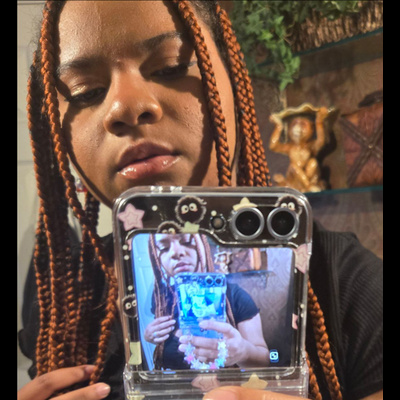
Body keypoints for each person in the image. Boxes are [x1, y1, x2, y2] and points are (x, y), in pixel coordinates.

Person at [17, 1, 382, 400]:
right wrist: (152, 342)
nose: (126, 106)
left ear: (235, 84)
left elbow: (264, 351)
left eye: (170, 68)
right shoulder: (58, 300)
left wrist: (243, 351)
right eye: (86, 92)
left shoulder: (350, 284)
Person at [143, 233, 269, 369]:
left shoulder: (236, 296)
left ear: (203, 245)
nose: (176, 252)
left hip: (225, 383)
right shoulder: (161, 299)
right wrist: (151, 337)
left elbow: (264, 360)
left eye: (186, 241)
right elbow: (164, 348)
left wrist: (244, 352)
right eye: (164, 247)